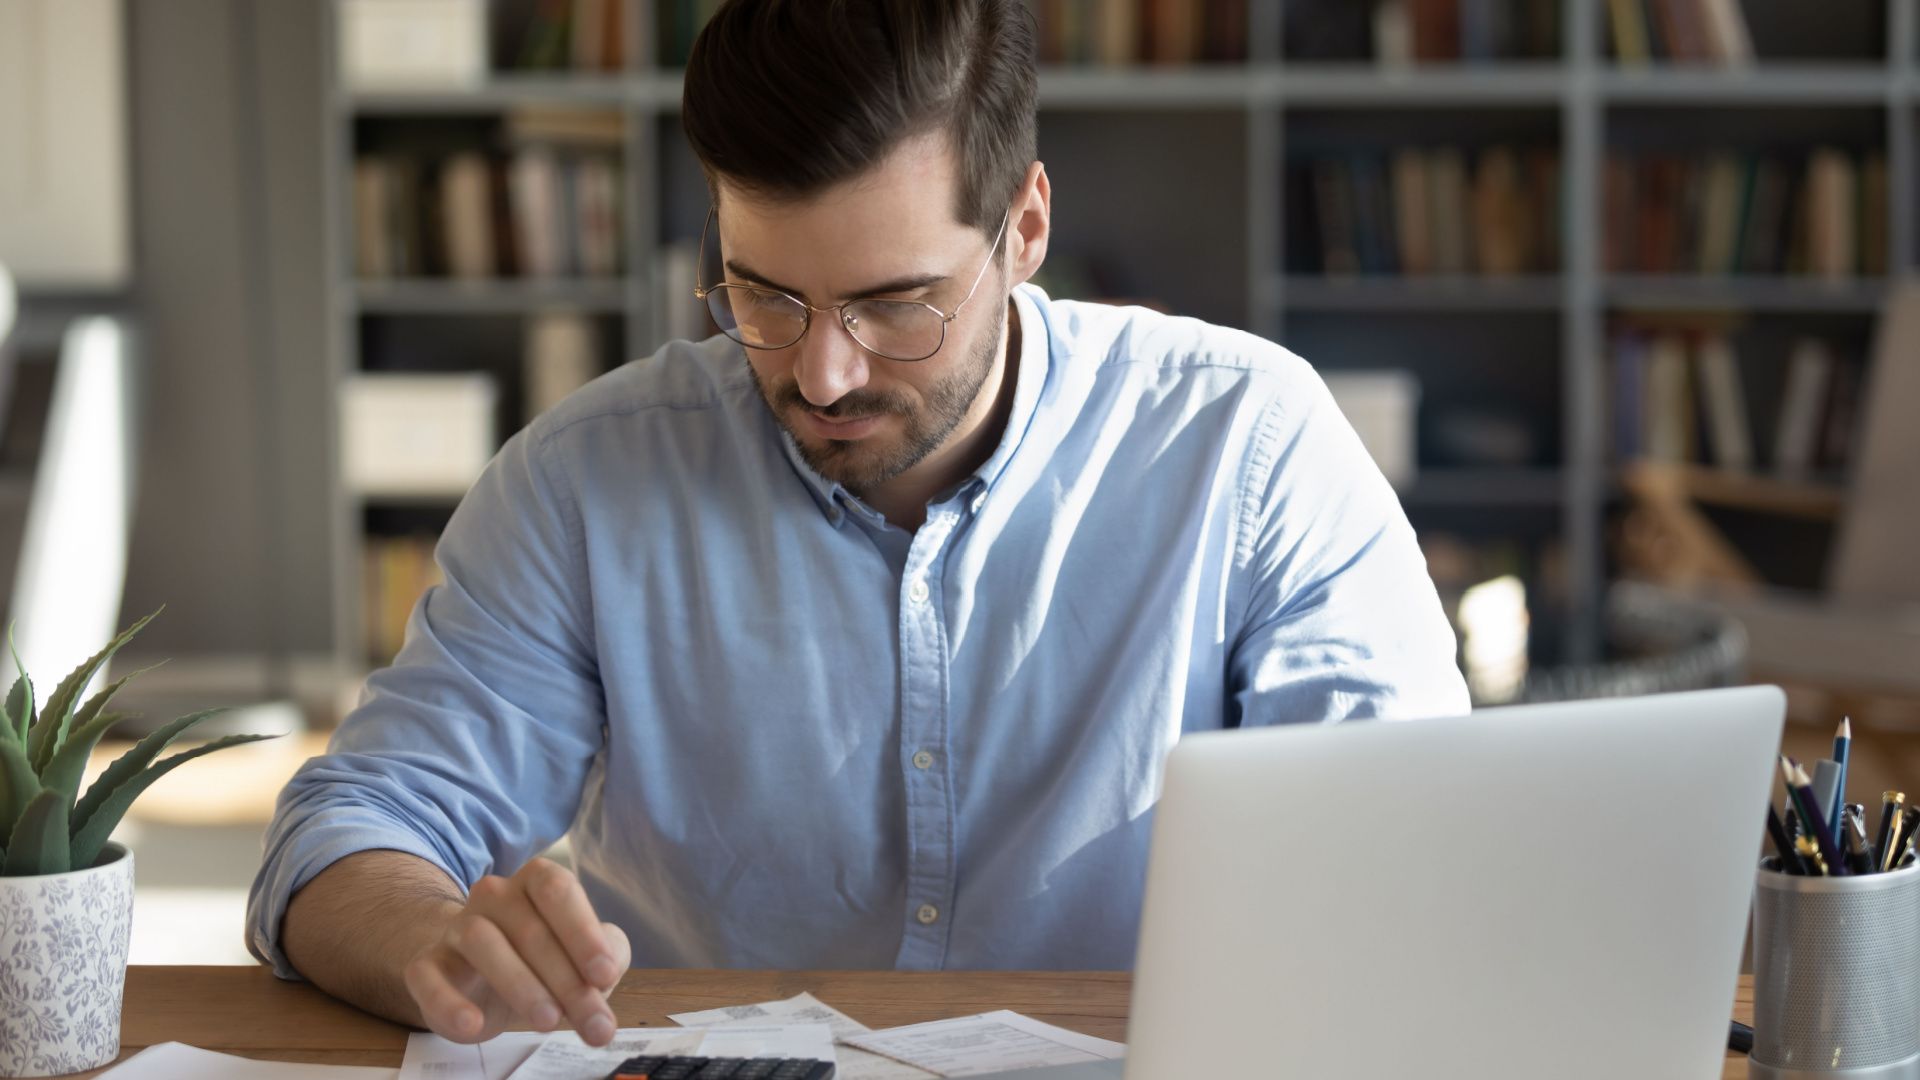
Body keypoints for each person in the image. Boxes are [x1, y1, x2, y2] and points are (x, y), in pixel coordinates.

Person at [248, 0, 1470, 1049]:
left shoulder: (1246, 447)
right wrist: (436, 936)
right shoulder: (587, 480)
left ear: (1026, 231)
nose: (822, 373)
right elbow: (346, 833)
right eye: (763, 295)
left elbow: (1411, 853)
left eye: (896, 306)